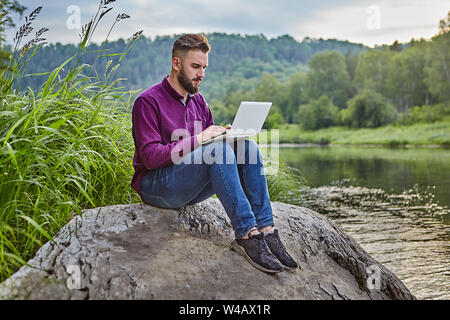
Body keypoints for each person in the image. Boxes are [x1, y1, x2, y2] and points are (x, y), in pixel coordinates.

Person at [131, 33, 298, 273]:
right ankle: (245, 235)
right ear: (176, 64)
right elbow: (151, 157)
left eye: (204, 67)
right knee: (218, 151)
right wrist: (200, 139)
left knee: (246, 147)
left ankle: (266, 230)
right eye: (195, 67)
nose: (202, 74)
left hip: (187, 185)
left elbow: (207, 148)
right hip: (156, 186)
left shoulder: (199, 102)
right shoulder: (147, 101)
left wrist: (224, 136)